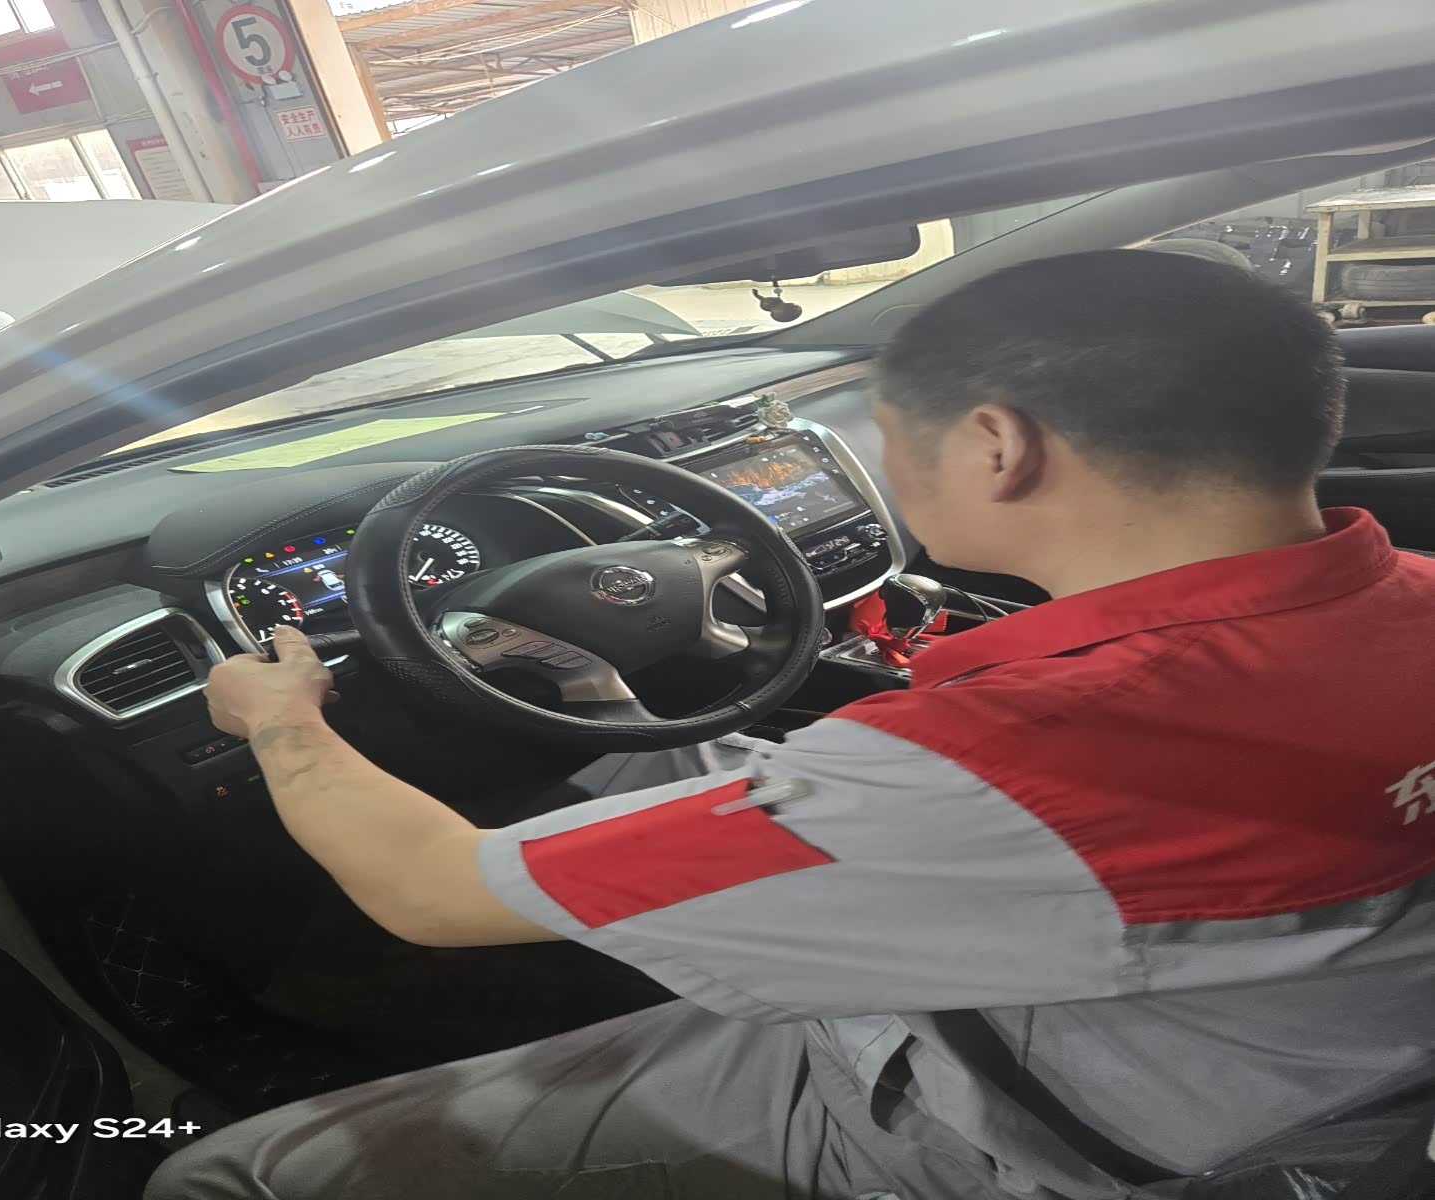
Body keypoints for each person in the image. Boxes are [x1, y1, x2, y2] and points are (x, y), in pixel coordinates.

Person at [149, 250, 1435, 1200]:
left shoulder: (1010, 765)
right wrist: (598, 703)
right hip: (1283, 1065)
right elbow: (899, 806)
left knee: (230, 1178)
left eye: (894, 439)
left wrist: (280, 719)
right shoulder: (1411, 601)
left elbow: (426, 892)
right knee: (676, 765)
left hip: (1040, 1140)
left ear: (996, 447)